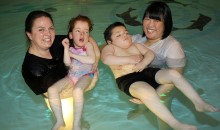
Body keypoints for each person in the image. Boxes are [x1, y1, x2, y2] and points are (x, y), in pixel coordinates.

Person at [101, 21, 219, 130]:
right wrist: (129, 58)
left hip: (145, 72)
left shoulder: (136, 45)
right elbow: (106, 59)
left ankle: (198, 102)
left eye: (126, 32)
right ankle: (175, 123)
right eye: (118, 35)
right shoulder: (110, 48)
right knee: (146, 92)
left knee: (173, 73)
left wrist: (143, 62)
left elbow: (150, 54)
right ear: (110, 41)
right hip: (128, 79)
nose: (124, 35)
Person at [22, 10, 99, 130]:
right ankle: (62, 121)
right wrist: (90, 85)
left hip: (76, 80)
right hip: (61, 99)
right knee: (67, 126)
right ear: (30, 34)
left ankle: (78, 122)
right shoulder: (32, 69)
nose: (48, 34)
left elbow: (84, 37)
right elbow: (51, 93)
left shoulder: (57, 41)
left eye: (51, 28)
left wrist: (96, 59)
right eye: (41, 29)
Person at [130, 1, 187, 129]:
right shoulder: (138, 39)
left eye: (156, 20)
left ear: (166, 23)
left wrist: (152, 97)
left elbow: (175, 80)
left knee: (163, 118)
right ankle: (142, 109)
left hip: (163, 88)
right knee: (141, 92)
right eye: (147, 19)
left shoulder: (172, 46)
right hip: (142, 83)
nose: (150, 24)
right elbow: (109, 46)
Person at [62, 15, 97, 130]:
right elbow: (67, 63)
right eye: (78, 31)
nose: (82, 34)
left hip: (86, 75)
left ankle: (75, 125)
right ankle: (79, 120)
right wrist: (66, 50)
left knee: (77, 91)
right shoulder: (70, 48)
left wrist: (72, 55)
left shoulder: (88, 46)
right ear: (71, 35)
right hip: (72, 76)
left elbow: (91, 59)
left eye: (86, 32)